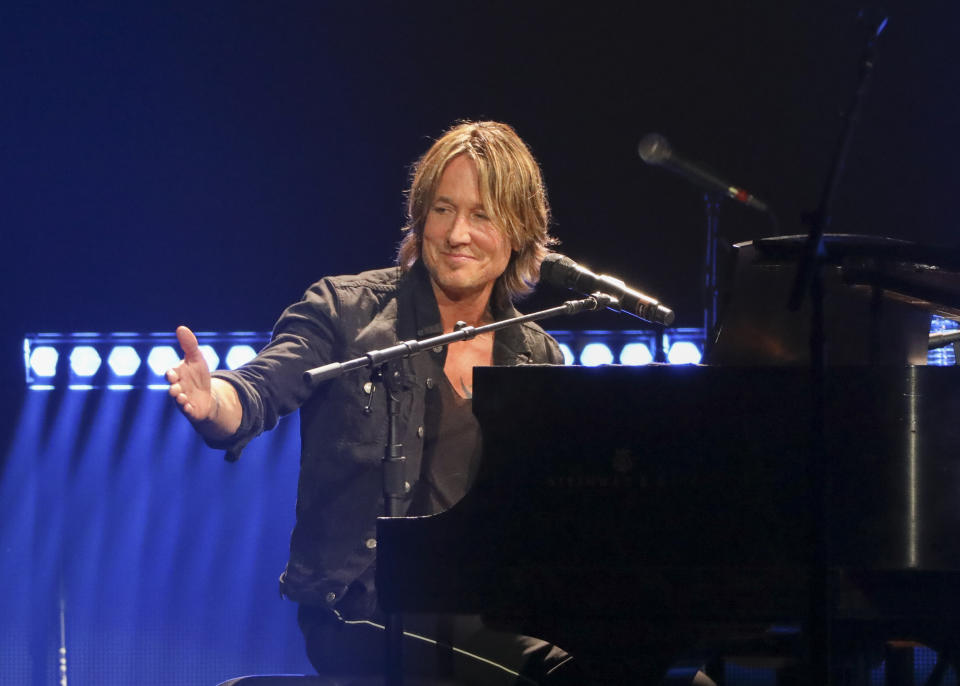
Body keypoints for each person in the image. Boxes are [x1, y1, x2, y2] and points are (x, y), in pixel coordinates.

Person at [165, 121, 578, 685]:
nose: (458, 233)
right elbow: (262, 387)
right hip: (361, 611)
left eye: (482, 215)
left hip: (488, 613)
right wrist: (214, 398)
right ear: (419, 218)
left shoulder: (537, 355)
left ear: (520, 231)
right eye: (442, 209)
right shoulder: (347, 311)